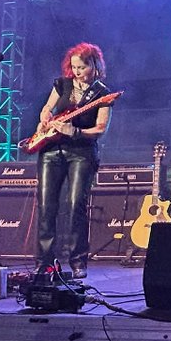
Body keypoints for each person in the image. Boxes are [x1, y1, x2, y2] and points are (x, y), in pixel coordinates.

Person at [33, 42, 113, 279]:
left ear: (94, 65)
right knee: (47, 206)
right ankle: (45, 261)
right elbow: (47, 108)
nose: (76, 71)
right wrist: (45, 117)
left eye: (81, 67)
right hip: (51, 150)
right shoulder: (63, 84)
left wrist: (75, 132)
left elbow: (100, 129)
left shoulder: (102, 94)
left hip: (81, 153)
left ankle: (78, 261)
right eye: (74, 66)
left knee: (76, 204)